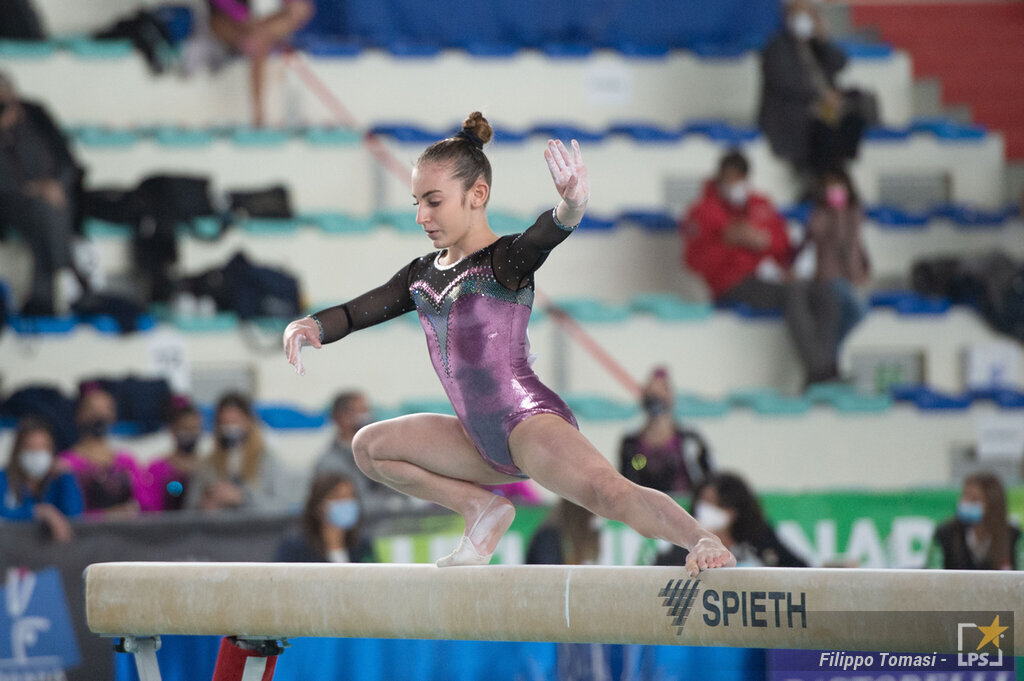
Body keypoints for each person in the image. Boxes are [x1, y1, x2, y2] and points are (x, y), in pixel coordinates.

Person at [283, 111, 734, 573]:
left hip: (527, 424)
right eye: (417, 202)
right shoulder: (420, 275)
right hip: (475, 437)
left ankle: (700, 538)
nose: (421, 216)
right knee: (369, 447)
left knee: (608, 492)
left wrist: (571, 207)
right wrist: (312, 326)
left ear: (477, 195)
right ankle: (480, 508)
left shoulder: (504, 260)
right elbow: (358, 311)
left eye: (434, 202)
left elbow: (544, 237)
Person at [682, 150, 842, 385]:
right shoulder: (702, 212)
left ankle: (826, 366)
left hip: (770, 276)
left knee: (826, 294)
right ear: (720, 179)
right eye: (729, 179)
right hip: (732, 283)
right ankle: (820, 371)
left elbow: (783, 246)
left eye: (738, 179)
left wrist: (763, 241)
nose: (734, 185)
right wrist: (728, 241)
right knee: (794, 293)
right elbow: (694, 261)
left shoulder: (761, 205)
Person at [0, 71, 86, 316]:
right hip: (12, 200)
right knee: (48, 211)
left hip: (56, 195)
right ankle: (68, 272)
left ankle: (42, 299)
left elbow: (66, 159)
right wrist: (37, 189)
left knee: (48, 214)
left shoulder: (35, 114)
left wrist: (56, 184)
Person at [758, 0, 872, 179]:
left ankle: (837, 173)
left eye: (808, 13)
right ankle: (823, 178)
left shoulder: (816, 44)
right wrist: (823, 96)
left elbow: (840, 63)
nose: (803, 18)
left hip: (824, 108)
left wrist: (823, 38)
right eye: (798, 14)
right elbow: (786, 82)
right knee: (826, 129)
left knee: (852, 118)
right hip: (794, 110)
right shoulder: (777, 46)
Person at [526, 500, 612, 681]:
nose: (596, 518)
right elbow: (549, 586)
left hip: (571, 619)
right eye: (592, 514)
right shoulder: (549, 536)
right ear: (581, 513)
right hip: (547, 620)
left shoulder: (586, 534)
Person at [657, 472, 807, 568]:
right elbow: (662, 570)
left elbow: (797, 568)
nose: (706, 509)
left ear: (734, 510)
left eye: (715, 503)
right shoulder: (688, 542)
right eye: (703, 502)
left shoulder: (760, 537)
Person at [206, 0, 314, 128]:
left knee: (301, 9)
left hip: (258, 26)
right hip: (226, 22)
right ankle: (259, 116)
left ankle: (259, 37)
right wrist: (242, 17)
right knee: (258, 44)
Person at [186, 391, 293, 512]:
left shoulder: (268, 460)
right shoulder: (206, 465)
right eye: (224, 422)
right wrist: (205, 506)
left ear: (248, 422)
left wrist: (242, 498)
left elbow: (280, 506)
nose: (229, 428)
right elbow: (189, 510)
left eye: (235, 421)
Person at [618, 367, 712, 495]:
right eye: (651, 395)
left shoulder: (690, 440)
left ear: (671, 397)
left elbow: (708, 482)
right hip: (644, 504)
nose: (655, 399)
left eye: (659, 395)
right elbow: (625, 483)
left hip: (683, 503)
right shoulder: (630, 443)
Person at [803, 168, 870, 348]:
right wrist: (836, 213)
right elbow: (823, 235)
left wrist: (865, 267)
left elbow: (857, 244)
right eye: (830, 187)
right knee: (858, 310)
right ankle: (830, 350)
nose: (835, 191)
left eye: (838, 186)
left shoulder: (854, 212)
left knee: (845, 315)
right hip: (829, 276)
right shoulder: (820, 214)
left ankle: (830, 351)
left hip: (851, 276)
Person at [61, 385, 146, 516]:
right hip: (86, 529)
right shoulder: (66, 463)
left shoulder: (126, 461)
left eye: (106, 409)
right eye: (93, 409)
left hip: (127, 527)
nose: (100, 415)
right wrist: (107, 514)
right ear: (79, 415)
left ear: (114, 416)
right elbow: (67, 512)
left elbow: (144, 503)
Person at [313, 390, 405, 511]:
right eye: (360, 411)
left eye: (367, 411)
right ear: (341, 417)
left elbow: (400, 489)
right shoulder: (329, 464)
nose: (367, 417)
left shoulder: (380, 453)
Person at [1, 417, 83, 541]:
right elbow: (3, 514)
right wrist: (38, 512)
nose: (37, 453)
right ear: (18, 451)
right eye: (30, 447)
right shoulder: (4, 478)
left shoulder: (57, 480)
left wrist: (67, 478)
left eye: (43, 447)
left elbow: (75, 515)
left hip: (52, 550)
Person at [927, 472, 1023, 570]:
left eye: (975, 499)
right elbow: (933, 572)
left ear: (993, 504)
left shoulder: (1014, 536)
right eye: (964, 496)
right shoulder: (945, 534)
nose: (966, 503)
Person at [274, 471, 374, 563]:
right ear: (319, 504)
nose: (346, 503)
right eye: (337, 497)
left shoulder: (362, 545)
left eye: (350, 496)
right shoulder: (294, 547)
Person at [143, 396, 204, 512]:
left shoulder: (206, 466)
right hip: (166, 522)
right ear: (173, 430)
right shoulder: (157, 468)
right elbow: (149, 507)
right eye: (185, 428)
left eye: (194, 428)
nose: (190, 433)